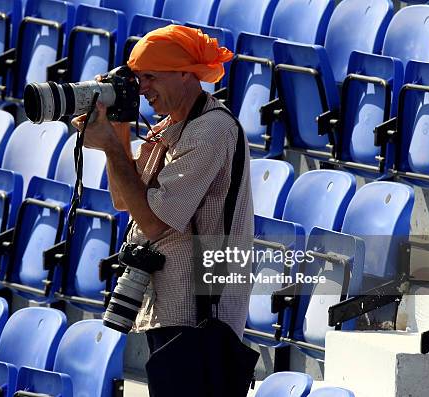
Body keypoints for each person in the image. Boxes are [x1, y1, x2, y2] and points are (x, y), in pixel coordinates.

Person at [71, 24, 254, 392]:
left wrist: (109, 146)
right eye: (138, 79)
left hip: (200, 318)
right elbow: (125, 200)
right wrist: (118, 128)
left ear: (186, 73)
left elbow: (153, 223)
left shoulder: (211, 130)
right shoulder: (171, 127)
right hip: (173, 311)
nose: (143, 89)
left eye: (151, 77)